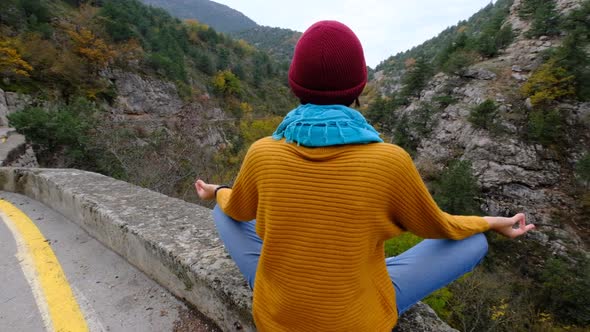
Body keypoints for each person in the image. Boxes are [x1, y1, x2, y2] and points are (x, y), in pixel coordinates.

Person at [195, 20, 535, 332]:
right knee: (473, 241)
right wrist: (490, 222)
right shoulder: (389, 161)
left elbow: (237, 210)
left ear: (294, 84)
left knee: (222, 212)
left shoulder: (262, 152)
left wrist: (218, 191)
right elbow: (440, 227)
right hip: (357, 319)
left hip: (278, 315)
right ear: (360, 86)